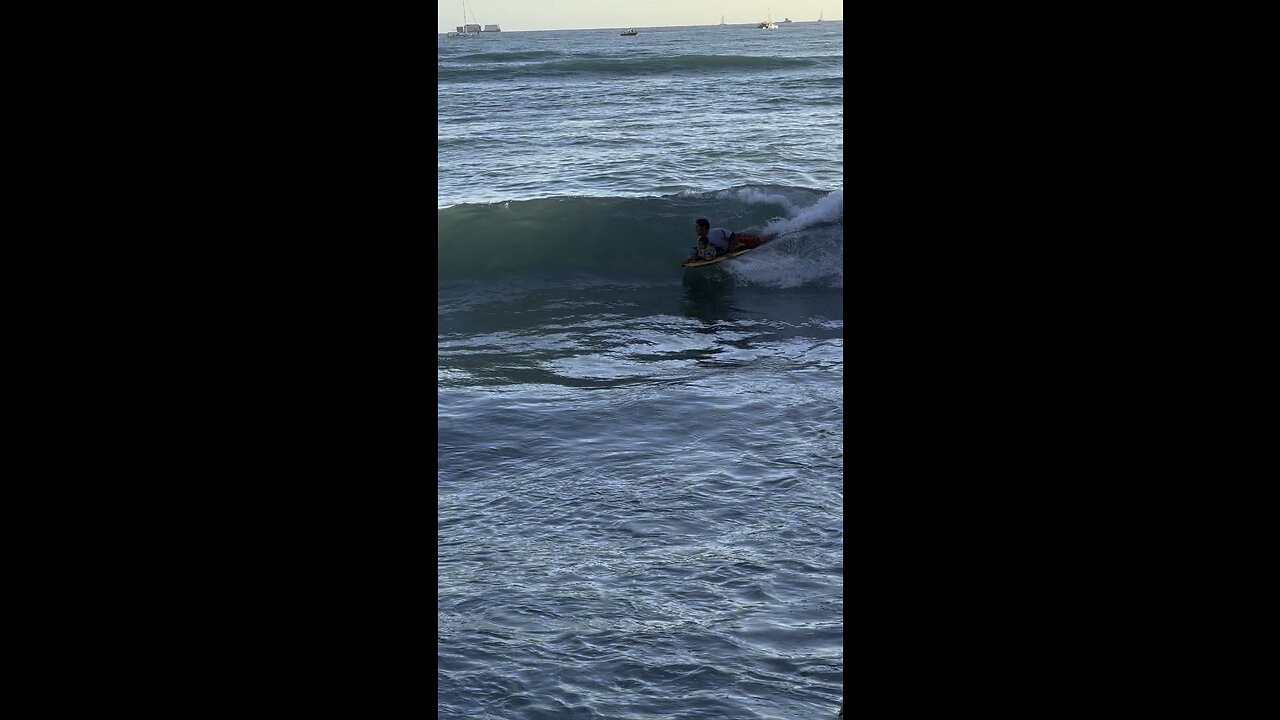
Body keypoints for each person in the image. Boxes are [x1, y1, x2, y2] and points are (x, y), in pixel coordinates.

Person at [690, 218, 766, 260]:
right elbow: (702, 249)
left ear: (703, 228)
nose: (695, 229)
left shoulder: (716, 231)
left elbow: (732, 235)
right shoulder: (701, 239)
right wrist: (692, 258)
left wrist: (731, 252)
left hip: (739, 239)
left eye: (697, 227)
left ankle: (774, 233)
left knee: (759, 241)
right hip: (731, 246)